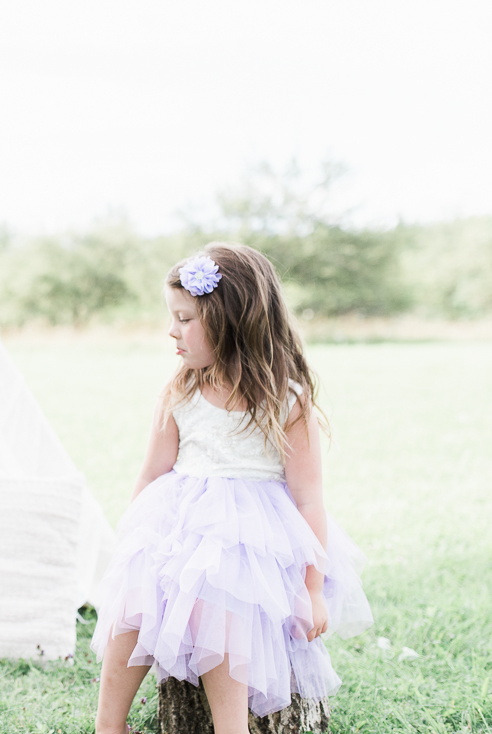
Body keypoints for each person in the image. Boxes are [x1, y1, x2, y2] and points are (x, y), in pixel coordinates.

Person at [91, 243, 373, 734]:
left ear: (229, 321)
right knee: (135, 602)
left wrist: (311, 589)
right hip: (178, 525)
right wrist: (134, 543)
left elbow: (308, 498)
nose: (171, 330)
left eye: (184, 319)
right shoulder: (181, 390)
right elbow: (152, 473)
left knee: (220, 604)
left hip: (252, 543)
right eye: (172, 317)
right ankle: (108, 726)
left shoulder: (285, 400)